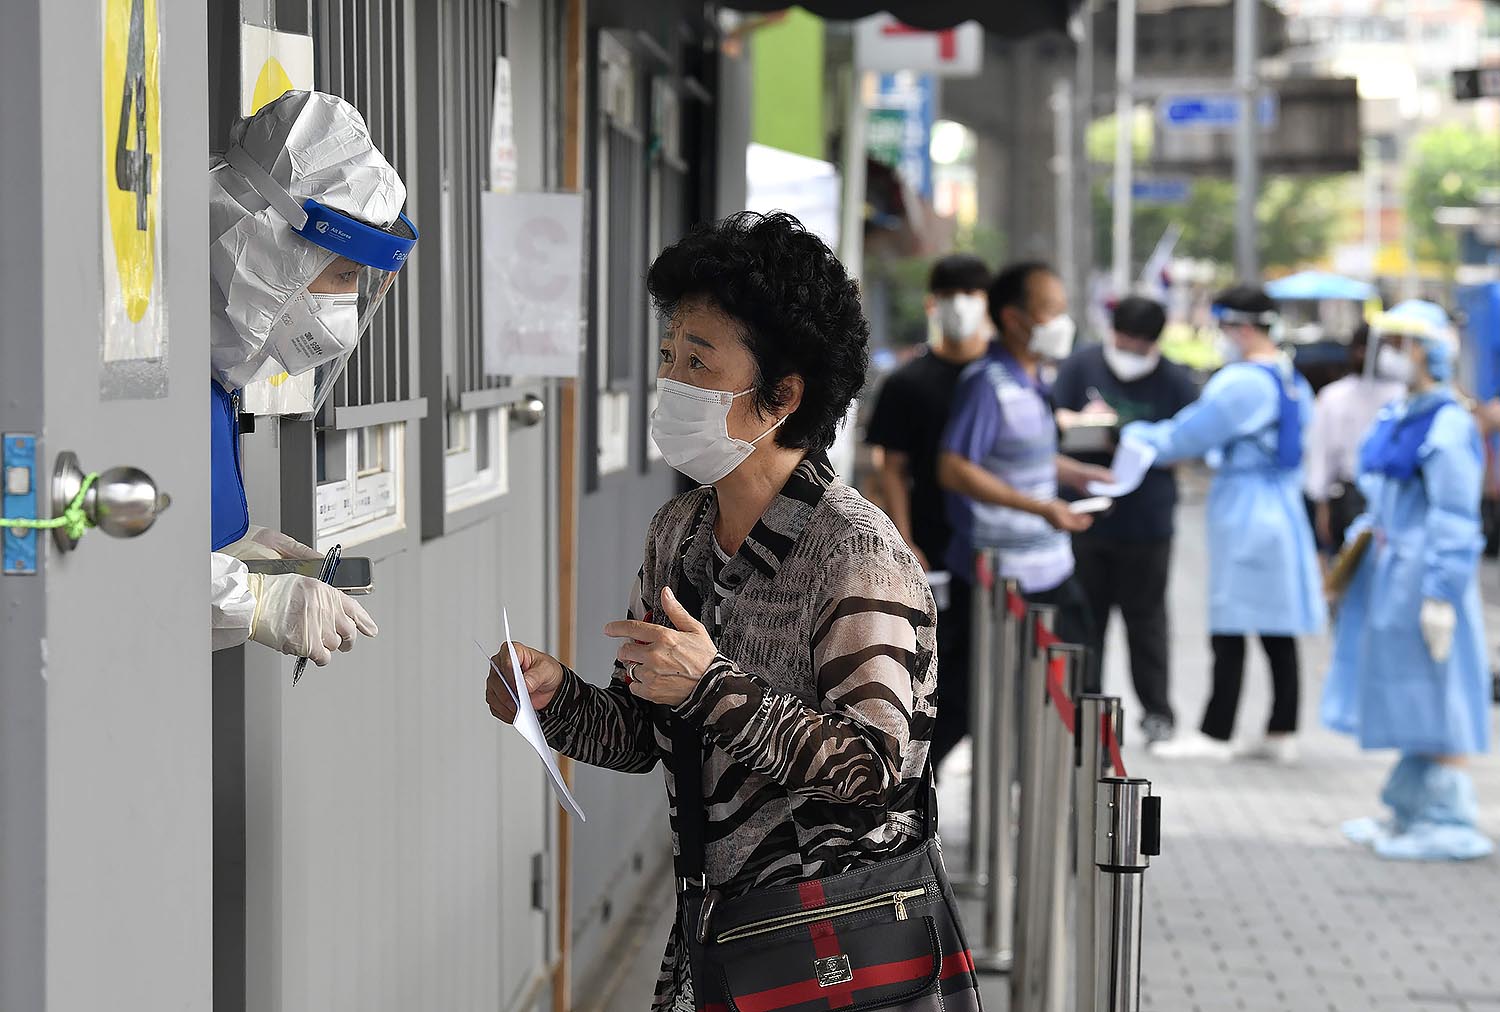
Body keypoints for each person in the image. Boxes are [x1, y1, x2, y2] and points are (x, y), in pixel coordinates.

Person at [484, 212, 942, 1010]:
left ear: (782, 395)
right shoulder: (682, 532)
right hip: (719, 931)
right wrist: (555, 701)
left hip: (837, 947)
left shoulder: (852, 554)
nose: (670, 381)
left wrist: (710, 688)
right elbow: (644, 734)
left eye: (698, 361)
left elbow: (874, 771)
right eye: (668, 355)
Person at [209, 91, 417, 664]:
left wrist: (237, 558)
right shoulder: (158, 379)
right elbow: (102, 561)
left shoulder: (217, 385)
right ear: (276, 251)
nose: (347, 307)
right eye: (344, 274)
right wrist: (250, 599)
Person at [1322, 301, 1493, 861]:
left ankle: (1447, 816)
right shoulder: (1401, 412)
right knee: (1408, 691)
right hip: (1391, 572)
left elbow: (1454, 516)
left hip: (1426, 577)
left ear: (1427, 350)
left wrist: (1442, 590)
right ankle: (1411, 810)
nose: (1388, 354)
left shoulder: (1446, 423)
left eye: (1400, 343)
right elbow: (1380, 496)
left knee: (1438, 691)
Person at [1125, 284, 1325, 762]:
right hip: (1281, 505)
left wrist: (1132, 434)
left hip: (1247, 509)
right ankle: (1281, 731)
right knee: (1276, 627)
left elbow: (1190, 435)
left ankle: (1217, 732)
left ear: (1240, 326)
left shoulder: (1242, 383)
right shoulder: (1290, 377)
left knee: (1230, 621)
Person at [937, 261, 1110, 692]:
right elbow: (954, 469)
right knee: (976, 699)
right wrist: (1040, 507)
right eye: (1052, 309)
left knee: (1073, 690)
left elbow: (1023, 457)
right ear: (1013, 319)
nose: (1063, 321)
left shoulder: (1037, 377)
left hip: (1051, 565)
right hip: (1002, 577)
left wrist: (1079, 474)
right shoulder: (985, 384)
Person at [1052, 295, 1199, 745]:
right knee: (1085, 618)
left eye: (1139, 344)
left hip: (1147, 525)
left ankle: (1157, 711)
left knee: (1147, 621)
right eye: (1123, 339)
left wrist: (1135, 445)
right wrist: (1084, 423)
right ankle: (1085, 708)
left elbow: (1189, 447)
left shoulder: (1176, 382)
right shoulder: (1082, 365)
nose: (1128, 350)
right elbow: (1054, 416)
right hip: (1086, 518)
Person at [867, 253, 991, 767]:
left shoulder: (1000, 377)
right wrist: (905, 538)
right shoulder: (909, 382)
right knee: (938, 681)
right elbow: (888, 467)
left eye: (972, 295)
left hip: (999, 553)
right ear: (932, 304)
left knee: (991, 681)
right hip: (935, 554)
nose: (960, 306)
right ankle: (923, 781)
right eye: (950, 295)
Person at [1304, 323, 1404, 555]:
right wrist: (1323, 506)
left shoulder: (1401, 396)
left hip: (1394, 498)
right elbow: (1321, 455)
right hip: (1348, 497)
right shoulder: (1334, 396)